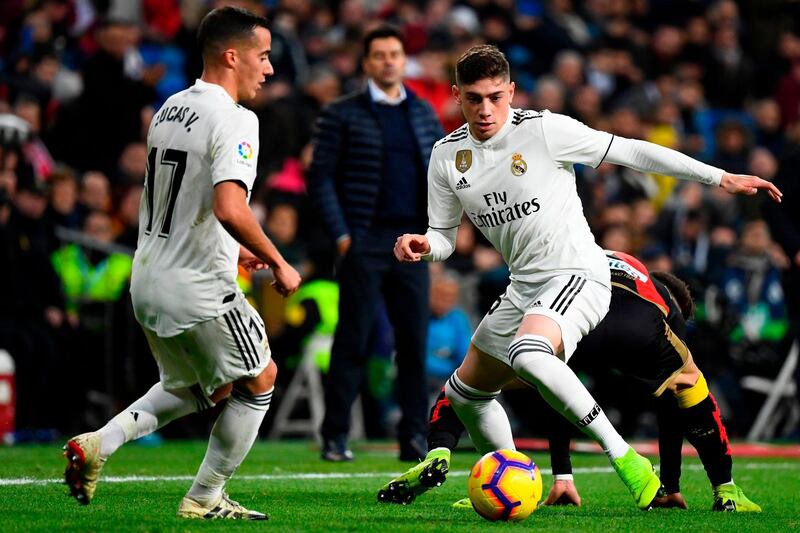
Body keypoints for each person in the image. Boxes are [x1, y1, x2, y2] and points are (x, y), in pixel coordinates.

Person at [393, 45, 781, 510]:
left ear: (511, 91)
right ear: (456, 96)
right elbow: (444, 236)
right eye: (474, 98)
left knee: (527, 354)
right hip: (525, 285)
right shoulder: (447, 156)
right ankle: (510, 476)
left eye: (496, 96)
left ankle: (627, 459)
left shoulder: (544, 131)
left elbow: (633, 152)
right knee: (465, 392)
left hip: (579, 272)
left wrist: (719, 177)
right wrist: (424, 245)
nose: (485, 109)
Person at [62, 7, 301, 520]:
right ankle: (205, 496)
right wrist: (277, 259)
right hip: (198, 286)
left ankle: (100, 443)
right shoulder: (237, 119)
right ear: (231, 56)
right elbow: (229, 206)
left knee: (193, 387)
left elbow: (179, 201)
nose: (269, 68)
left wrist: (230, 247)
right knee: (261, 379)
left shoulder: (170, 107)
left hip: (148, 278)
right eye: (262, 56)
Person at [379, 252, 761, 512]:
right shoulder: (663, 298)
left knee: (471, 385)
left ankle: (439, 452)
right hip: (631, 319)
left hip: (561, 311)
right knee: (688, 382)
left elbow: (557, 394)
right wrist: (671, 485)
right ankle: (726, 490)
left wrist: (564, 473)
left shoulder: (603, 253)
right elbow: (668, 407)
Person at [307, 26, 444, 461]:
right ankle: (335, 436)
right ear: (366, 62)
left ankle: (413, 438)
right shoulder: (341, 112)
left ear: (404, 61)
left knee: (414, 343)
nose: (388, 61)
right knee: (354, 340)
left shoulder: (424, 113)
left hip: (412, 244)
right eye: (379, 54)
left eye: (394, 54)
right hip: (363, 241)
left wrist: (435, 235)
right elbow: (320, 177)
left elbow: (440, 180)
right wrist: (343, 236)